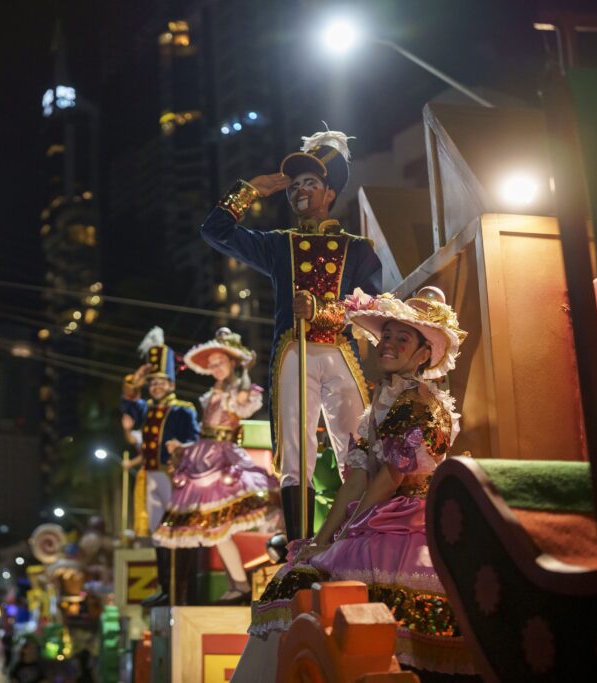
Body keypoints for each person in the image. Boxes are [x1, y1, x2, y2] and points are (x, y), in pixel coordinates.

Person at [234, 287, 473, 679]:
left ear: (424, 353)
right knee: (299, 571)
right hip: (375, 515)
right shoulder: (380, 404)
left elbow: (390, 477)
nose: (389, 345)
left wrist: (345, 534)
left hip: (408, 521)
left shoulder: (420, 402)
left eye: (403, 338)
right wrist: (320, 539)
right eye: (388, 336)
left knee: (347, 592)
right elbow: (356, 478)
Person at [200, 129, 382, 539]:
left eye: (310, 184)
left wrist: (322, 310)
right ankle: (299, 548)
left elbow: (373, 306)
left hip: (340, 351)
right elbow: (215, 232)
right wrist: (248, 191)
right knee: (295, 452)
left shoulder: (358, 249)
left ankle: (361, 538)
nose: (299, 191)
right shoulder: (278, 245)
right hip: (292, 353)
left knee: (357, 445)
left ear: (329, 193)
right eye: (294, 185)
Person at [153, 327, 279, 604]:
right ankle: (238, 585)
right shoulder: (213, 393)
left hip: (222, 460)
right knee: (215, 532)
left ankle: (241, 585)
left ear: (232, 361)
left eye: (219, 363)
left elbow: (242, 406)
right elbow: (207, 431)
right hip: (203, 457)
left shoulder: (239, 390)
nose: (215, 369)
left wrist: (243, 374)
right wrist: (184, 448)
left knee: (219, 529)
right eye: (211, 365)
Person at [119, 326, 200, 606]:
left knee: (176, 535)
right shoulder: (148, 410)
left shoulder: (183, 409)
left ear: (172, 384)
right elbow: (128, 407)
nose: (156, 387)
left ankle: (181, 591)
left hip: (173, 478)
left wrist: (180, 447)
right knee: (157, 536)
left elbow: (194, 440)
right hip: (151, 478)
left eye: (161, 382)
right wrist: (134, 381)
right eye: (152, 383)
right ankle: (166, 588)